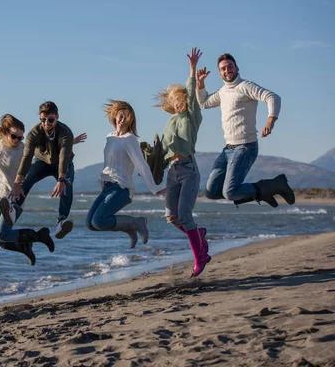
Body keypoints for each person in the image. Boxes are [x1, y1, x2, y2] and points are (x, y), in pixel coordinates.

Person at [196, 54, 295, 208]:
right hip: (228, 149)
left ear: (236, 68)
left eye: (230, 66)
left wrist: (270, 120)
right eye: (223, 68)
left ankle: (273, 186)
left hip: (245, 147)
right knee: (211, 191)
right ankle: (263, 192)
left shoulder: (245, 86)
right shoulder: (223, 91)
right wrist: (200, 84)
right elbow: (204, 103)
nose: (227, 70)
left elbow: (273, 97)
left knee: (230, 192)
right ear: (220, 73)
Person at [0, 76, 55, 264]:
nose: (18, 140)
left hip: (14, 198)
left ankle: (38, 235)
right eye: (14, 136)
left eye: (21, 137)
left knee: (2, 234)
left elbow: (44, 149)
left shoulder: (24, 150)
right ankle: (24, 246)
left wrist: (67, 144)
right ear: (6, 133)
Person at [155, 47, 210, 277]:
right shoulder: (170, 122)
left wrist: (192, 69)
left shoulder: (192, 117)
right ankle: (198, 235)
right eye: (175, 101)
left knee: (185, 216)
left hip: (189, 170)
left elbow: (191, 94)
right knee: (171, 217)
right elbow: (162, 149)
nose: (179, 104)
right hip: (172, 172)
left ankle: (200, 258)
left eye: (182, 100)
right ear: (172, 103)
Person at [86, 100, 164, 248]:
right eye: (120, 116)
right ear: (115, 116)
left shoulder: (130, 139)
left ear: (130, 121)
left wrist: (154, 187)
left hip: (121, 187)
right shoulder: (110, 137)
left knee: (99, 221)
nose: (122, 120)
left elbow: (141, 164)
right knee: (90, 224)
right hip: (107, 187)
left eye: (126, 117)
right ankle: (129, 228)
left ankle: (136, 222)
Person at [11, 101, 77, 239]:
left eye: (50, 120)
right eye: (43, 119)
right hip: (42, 162)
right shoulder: (34, 133)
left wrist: (61, 179)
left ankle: (62, 220)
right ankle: (13, 208)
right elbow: (27, 157)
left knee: (67, 185)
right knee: (26, 180)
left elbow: (64, 156)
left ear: (57, 117)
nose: (46, 123)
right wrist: (17, 182)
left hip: (63, 163)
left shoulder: (65, 132)